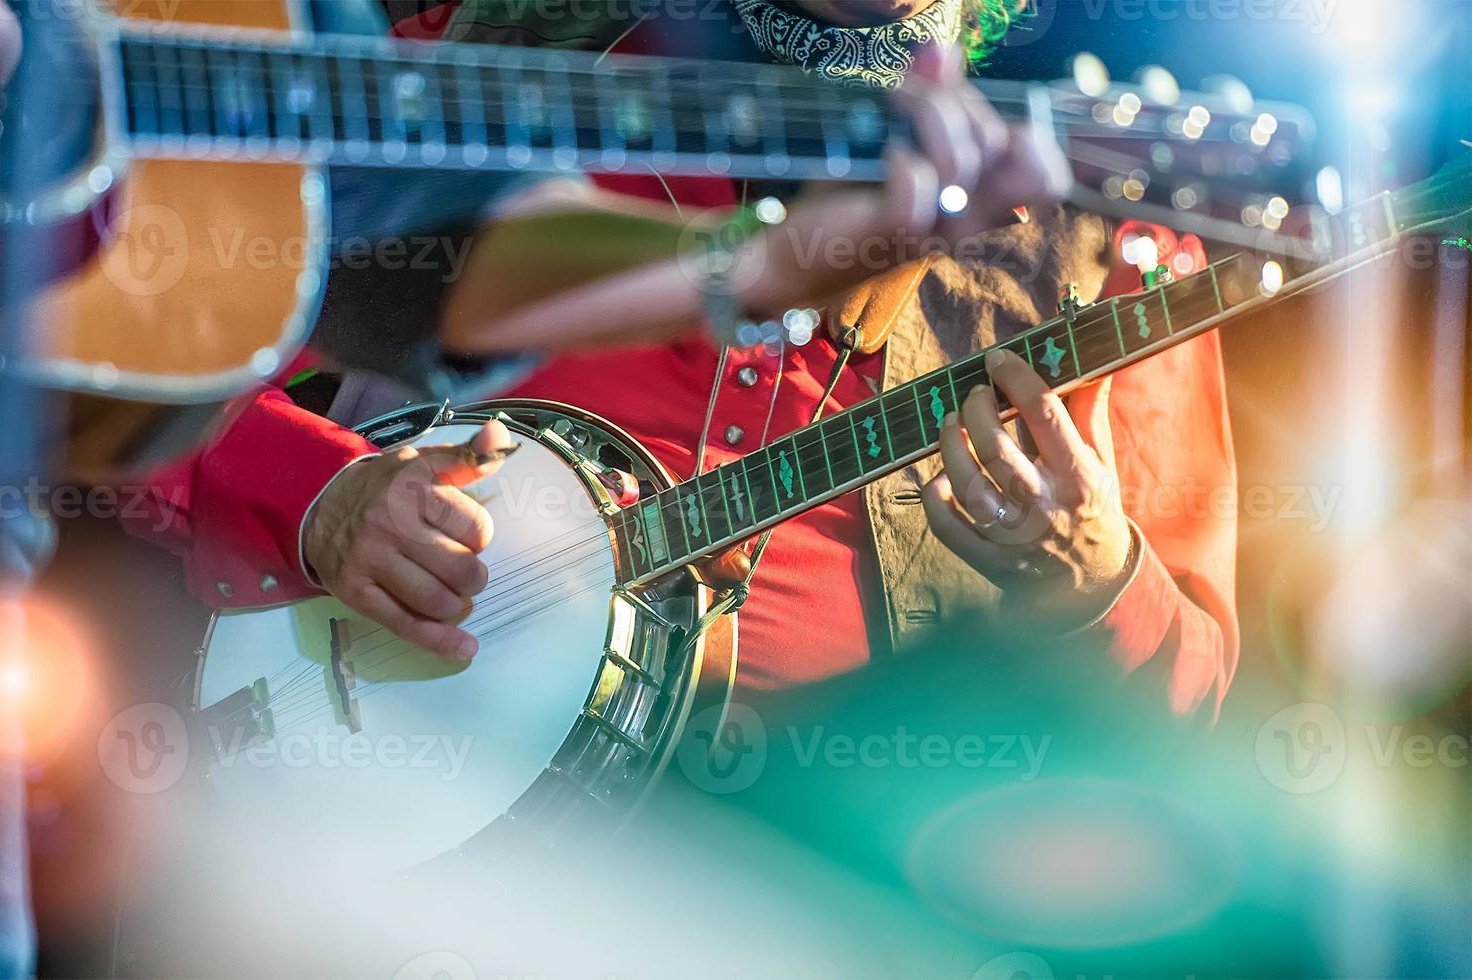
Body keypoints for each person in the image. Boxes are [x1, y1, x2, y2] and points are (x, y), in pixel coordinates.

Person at [125, 0, 1238, 719]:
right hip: (379, 805)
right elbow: (133, 349)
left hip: (794, 880)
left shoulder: (1120, 246)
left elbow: (1189, 687)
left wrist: (1096, 578)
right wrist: (318, 493)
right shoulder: (488, 68)